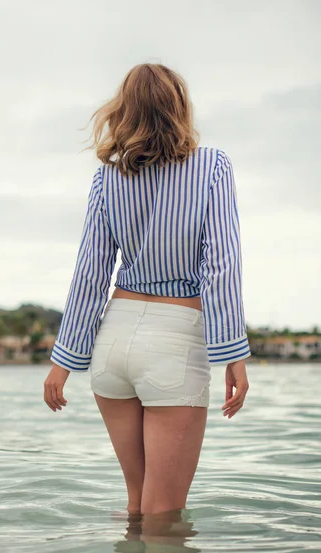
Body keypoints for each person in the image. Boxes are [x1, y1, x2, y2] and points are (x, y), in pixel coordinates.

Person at [43, 63, 251, 516]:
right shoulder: (213, 167)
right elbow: (221, 266)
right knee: (164, 514)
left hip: (113, 343)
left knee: (137, 505)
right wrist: (231, 354)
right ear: (179, 107)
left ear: (125, 110)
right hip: (174, 341)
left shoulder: (106, 178)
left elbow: (90, 273)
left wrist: (63, 361)